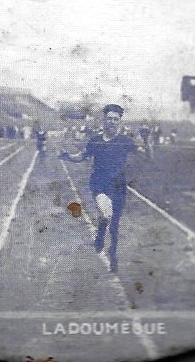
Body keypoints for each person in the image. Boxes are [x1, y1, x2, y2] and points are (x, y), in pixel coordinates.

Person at [60, 104, 152, 272]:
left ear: (119, 121)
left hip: (118, 185)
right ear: (104, 120)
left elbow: (147, 156)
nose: (112, 122)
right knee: (105, 214)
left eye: (115, 119)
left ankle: (112, 255)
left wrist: (146, 140)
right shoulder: (95, 140)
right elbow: (81, 156)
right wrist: (68, 156)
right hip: (100, 183)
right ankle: (102, 235)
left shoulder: (125, 141)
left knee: (114, 223)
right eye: (109, 118)